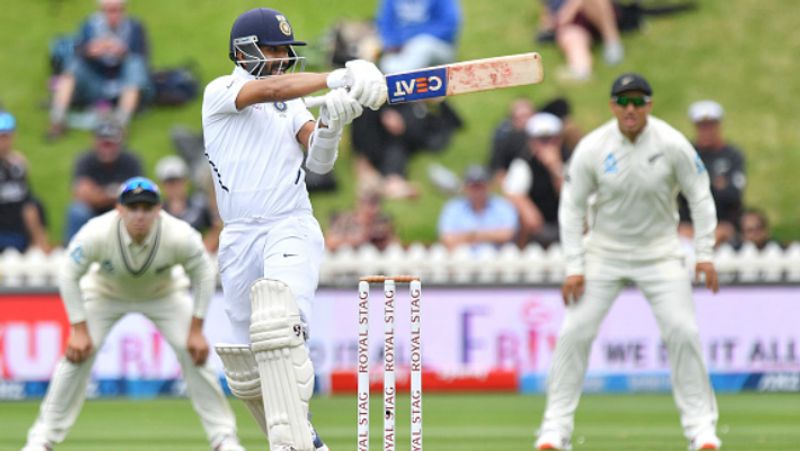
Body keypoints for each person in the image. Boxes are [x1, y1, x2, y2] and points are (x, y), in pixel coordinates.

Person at [201, 7, 385, 451]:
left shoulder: (293, 103)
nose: (283, 57)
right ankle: (307, 442)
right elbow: (271, 87)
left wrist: (332, 125)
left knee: (279, 328)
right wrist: (338, 77)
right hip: (239, 236)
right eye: (275, 48)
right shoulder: (222, 90)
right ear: (245, 50)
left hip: (290, 224)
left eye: (286, 50)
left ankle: (288, 445)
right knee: (249, 371)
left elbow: (319, 163)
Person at [535, 73, 721, 451]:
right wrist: (574, 266)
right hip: (604, 252)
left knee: (683, 332)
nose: (630, 108)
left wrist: (704, 254)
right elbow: (570, 208)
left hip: (660, 252)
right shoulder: (593, 146)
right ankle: (554, 431)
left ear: (650, 105)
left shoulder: (671, 142)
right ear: (612, 106)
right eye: (623, 101)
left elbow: (699, 196)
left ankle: (702, 432)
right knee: (574, 333)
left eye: (638, 101)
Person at [22, 177, 244, 451]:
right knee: (75, 357)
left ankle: (224, 439)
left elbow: (203, 273)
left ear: (158, 209)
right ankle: (41, 440)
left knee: (195, 354)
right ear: (119, 209)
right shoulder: (97, 231)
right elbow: (69, 273)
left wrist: (196, 329)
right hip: (106, 293)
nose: (140, 215)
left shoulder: (179, 234)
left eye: (147, 207)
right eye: (133, 207)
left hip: (164, 294)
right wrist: (79, 329)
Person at [47, 0, 151, 139]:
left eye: (117, 10)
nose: (113, 15)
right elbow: (76, 52)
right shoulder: (89, 26)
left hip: (123, 84)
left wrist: (123, 52)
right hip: (96, 83)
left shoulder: (135, 27)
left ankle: (121, 124)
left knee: (134, 65)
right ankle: (57, 120)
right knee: (72, 67)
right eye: (109, 10)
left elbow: (143, 62)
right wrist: (90, 51)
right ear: (101, 10)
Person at [679, 100, 746, 246]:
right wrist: (717, 183)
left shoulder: (733, 155)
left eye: (710, 125)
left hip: (724, 223)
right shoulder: (687, 153)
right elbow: (682, 193)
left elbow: (733, 195)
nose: (706, 130)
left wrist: (700, 183)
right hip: (689, 224)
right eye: (702, 126)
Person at [64, 120, 142, 242]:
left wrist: (98, 193)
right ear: (94, 142)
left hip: (121, 213)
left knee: (137, 212)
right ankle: (73, 254)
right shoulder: (85, 160)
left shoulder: (131, 161)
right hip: (92, 213)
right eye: (104, 143)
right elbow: (82, 195)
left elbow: (137, 196)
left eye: (111, 144)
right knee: (77, 211)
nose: (107, 148)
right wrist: (116, 192)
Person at [503, 112, 569, 248]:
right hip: (536, 230)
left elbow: (571, 196)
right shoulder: (522, 164)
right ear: (532, 142)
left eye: (552, 139)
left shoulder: (569, 160)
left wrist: (555, 168)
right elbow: (515, 197)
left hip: (566, 224)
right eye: (542, 140)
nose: (547, 144)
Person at [0, 111, 51, 253]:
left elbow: (28, 205)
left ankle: (40, 249)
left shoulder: (17, 166)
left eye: (6, 136)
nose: (3, 142)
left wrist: (40, 242)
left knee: (36, 204)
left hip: (17, 235)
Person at [539, 0, 625, 82]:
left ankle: (612, 42)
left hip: (596, 10)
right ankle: (581, 70)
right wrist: (550, 22)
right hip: (573, 22)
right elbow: (547, 9)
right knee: (570, 36)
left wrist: (568, 11)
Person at [438, 165, 518, 252]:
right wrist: (488, 235)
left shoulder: (503, 206)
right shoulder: (453, 207)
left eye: (480, 186)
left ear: (489, 186)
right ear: (465, 188)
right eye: (473, 186)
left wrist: (470, 236)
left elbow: (508, 234)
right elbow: (447, 239)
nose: (477, 191)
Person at [155, 155, 222, 252]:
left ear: (186, 182)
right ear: (162, 185)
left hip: (202, 253)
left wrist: (204, 250)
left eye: (177, 181)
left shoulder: (200, 204)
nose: (174, 186)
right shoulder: (158, 211)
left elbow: (217, 227)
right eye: (169, 182)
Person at [375, 0, 461, 74]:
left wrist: (411, 40)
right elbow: (385, 27)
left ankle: (400, 79)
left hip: (438, 47)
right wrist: (395, 43)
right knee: (388, 61)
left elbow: (448, 25)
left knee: (422, 46)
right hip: (401, 50)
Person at [326, 186, 398, 251]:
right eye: (370, 204)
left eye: (377, 203)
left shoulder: (381, 223)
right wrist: (355, 240)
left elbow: (395, 246)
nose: (375, 209)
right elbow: (329, 243)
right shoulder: (345, 221)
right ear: (359, 204)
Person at [488, 98, 536, 186]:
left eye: (527, 116)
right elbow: (498, 170)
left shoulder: (545, 139)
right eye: (519, 118)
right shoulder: (504, 141)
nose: (524, 121)